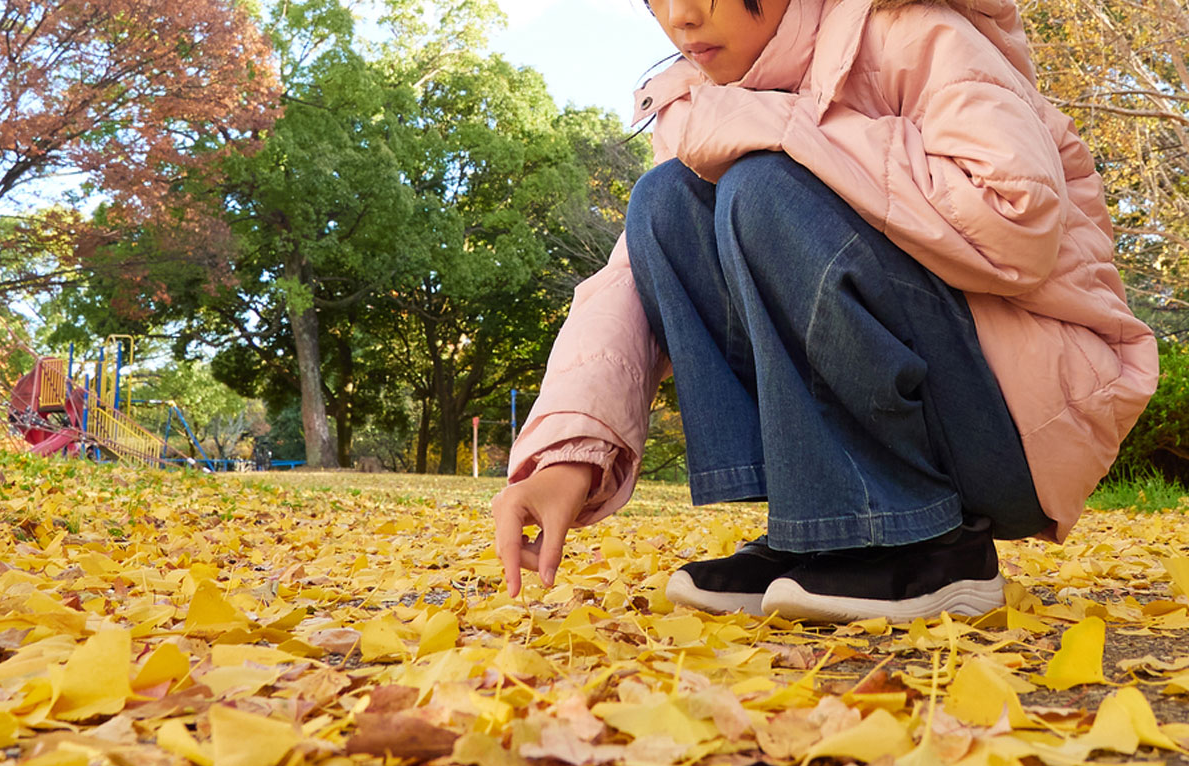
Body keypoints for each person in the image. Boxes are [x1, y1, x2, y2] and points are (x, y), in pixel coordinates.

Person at [491, 0, 1158, 624]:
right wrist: (565, 462)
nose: (682, 17)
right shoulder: (712, 103)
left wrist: (785, 131)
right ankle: (823, 532)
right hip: (936, 400)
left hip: (1014, 426)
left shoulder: (915, 33)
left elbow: (1019, 220)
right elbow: (627, 291)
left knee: (762, 189)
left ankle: (931, 544)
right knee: (664, 203)